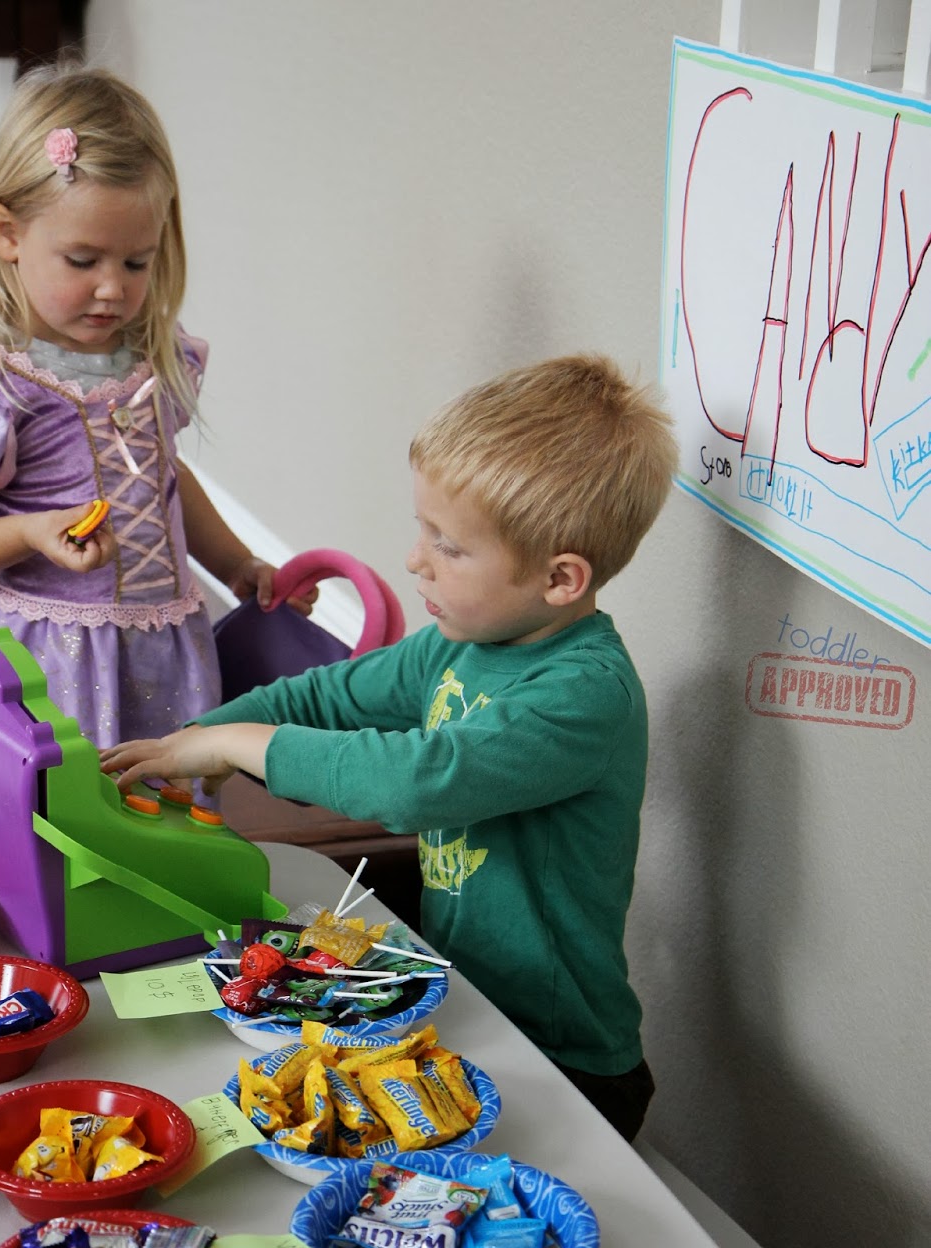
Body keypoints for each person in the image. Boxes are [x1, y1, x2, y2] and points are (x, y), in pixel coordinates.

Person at [101, 355, 678, 1142]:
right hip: (471, 1012)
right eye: (423, 531)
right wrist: (195, 742)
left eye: (449, 546)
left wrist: (240, 743)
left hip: (563, 1059)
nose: (415, 560)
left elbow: (417, 783)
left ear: (560, 579)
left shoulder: (583, 695)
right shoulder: (462, 642)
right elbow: (324, 697)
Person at [0, 62, 308, 858]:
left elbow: (168, 476)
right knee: (44, 830)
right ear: (7, 234)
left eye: (136, 263)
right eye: (83, 261)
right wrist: (29, 531)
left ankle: (149, 912)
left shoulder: (153, 362)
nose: (113, 289)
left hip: (155, 640)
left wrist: (235, 561)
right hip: (42, 655)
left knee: (154, 824)